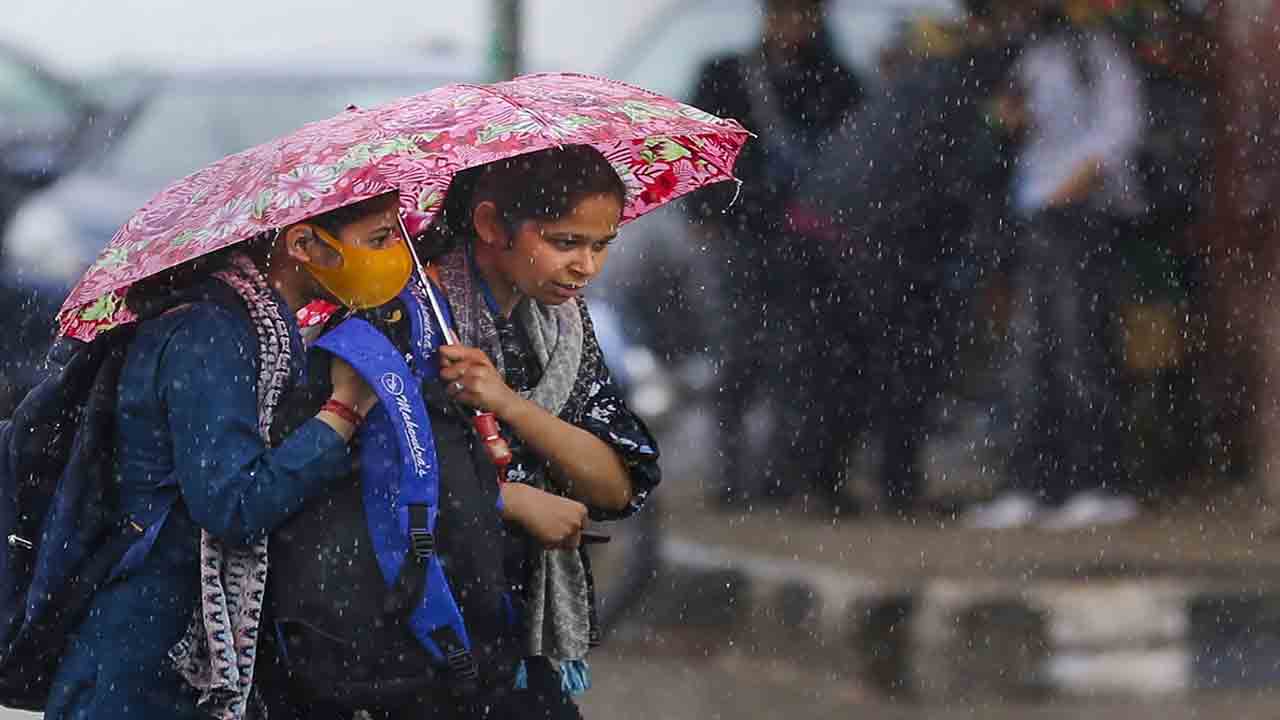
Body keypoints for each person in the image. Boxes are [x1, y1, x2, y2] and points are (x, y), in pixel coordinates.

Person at [43, 192, 409, 719]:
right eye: (378, 240)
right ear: (303, 243)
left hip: (169, 637)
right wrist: (343, 411)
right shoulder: (209, 332)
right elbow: (234, 504)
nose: (394, 253)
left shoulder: (266, 328)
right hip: (144, 648)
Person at [417, 144, 662, 719]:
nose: (587, 267)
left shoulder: (562, 330)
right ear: (489, 224)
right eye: (564, 242)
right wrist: (503, 500)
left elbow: (617, 484)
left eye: (601, 245)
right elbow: (383, 484)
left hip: (521, 635)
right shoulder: (417, 320)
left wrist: (506, 402)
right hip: (429, 631)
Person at [964, 2, 1146, 530]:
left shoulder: (1097, 53)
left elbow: (1122, 128)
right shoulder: (1027, 58)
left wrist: (1077, 183)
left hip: (1082, 217)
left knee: (1081, 350)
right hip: (1034, 218)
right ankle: (1031, 484)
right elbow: (1004, 132)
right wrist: (1005, 123)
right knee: (1030, 359)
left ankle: (1097, 482)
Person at [685, 0, 865, 511]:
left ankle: (784, 476)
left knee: (803, 361)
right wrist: (704, 215)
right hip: (739, 233)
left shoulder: (837, 82)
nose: (795, 26)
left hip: (809, 239)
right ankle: (732, 475)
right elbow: (701, 150)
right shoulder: (727, 76)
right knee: (739, 357)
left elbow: (851, 158)